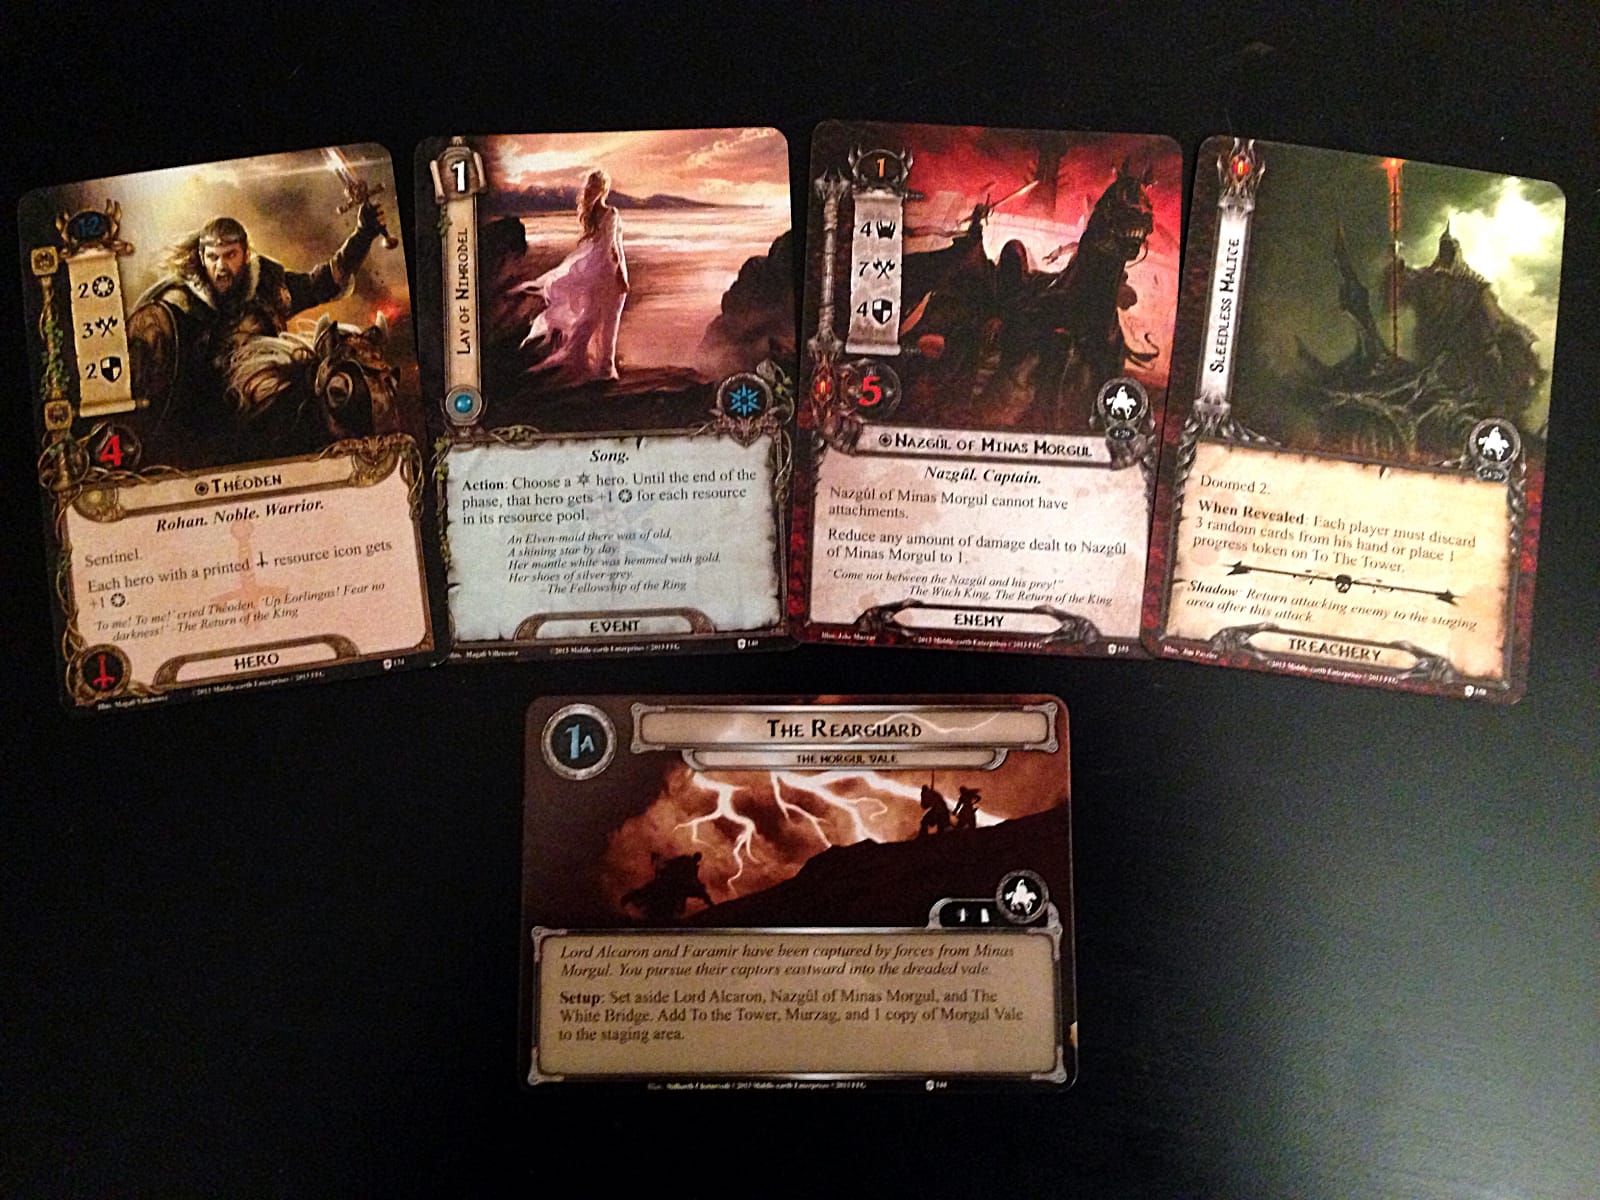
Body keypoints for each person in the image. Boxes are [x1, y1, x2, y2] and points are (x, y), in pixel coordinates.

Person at [127, 202, 385, 462]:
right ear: (202, 258)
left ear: (245, 254)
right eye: (213, 257)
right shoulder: (179, 308)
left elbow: (324, 281)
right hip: (202, 435)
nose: (221, 266)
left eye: (230, 255)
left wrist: (363, 234)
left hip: (267, 420)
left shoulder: (269, 289)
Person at [517, 168, 628, 385]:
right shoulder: (611, 213)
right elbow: (613, 248)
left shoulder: (592, 215)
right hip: (610, 271)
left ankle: (579, 361)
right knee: (610, 320)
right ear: (605, 189)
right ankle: (605, 369)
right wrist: (622, 274)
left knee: (590, 319)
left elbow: (601, 244)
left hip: (596, 272)